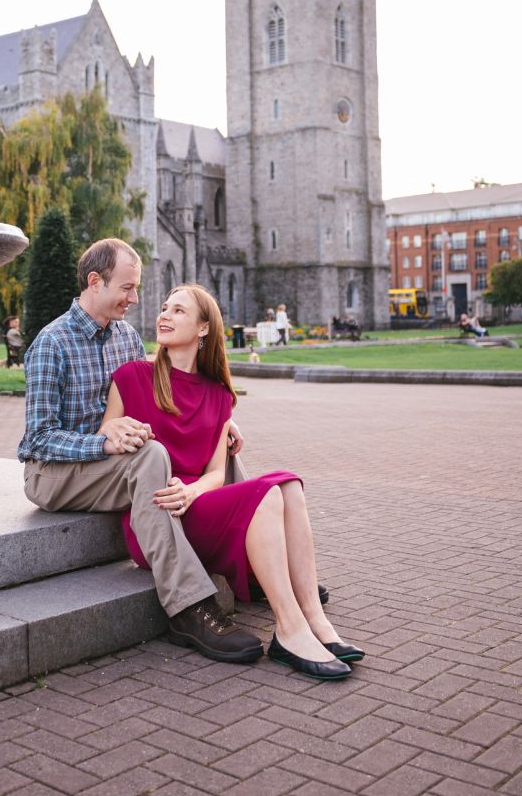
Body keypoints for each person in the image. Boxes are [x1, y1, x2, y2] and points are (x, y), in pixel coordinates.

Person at [20, 239, 261, 664]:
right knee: (150, 456)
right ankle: (187, 606)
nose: (136, 299)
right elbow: (36, 441)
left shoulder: (126, 337)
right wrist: (102, 441)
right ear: (95, 282)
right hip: (54, 474)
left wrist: (219, 422)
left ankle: (252, 566)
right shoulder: (51, 343)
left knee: (222, 449)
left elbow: (160, 391)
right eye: (127, 288)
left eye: (136, 288)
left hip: (110, 464)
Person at [104, 283, 363, 680]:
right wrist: (117, 434)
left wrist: (191, 490)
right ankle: (290, 629)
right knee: (268, 493)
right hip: (158, 514)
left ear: (204, 328)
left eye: (178, 311)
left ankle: (315, 620)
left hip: (198, 501)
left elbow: (213, 473)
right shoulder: (131, 376)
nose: (164, 316)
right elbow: (109, 435)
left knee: (289, 485)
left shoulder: (219, 394)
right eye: (164, 308)